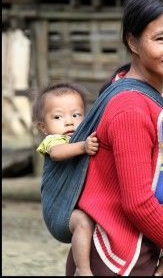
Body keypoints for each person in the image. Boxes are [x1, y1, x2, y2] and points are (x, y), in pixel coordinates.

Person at [65, 0, 163, 276]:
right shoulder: (131, 109)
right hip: (116, 255)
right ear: (133, 42)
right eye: (161, 38)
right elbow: (138, 203)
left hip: (136, 245)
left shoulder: (132, 88)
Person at [33, 83, 99, 276]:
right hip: (58, 212)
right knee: (83, 221)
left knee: (88, 222)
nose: (69, 122)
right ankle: (83, 270)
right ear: (43, 127)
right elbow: (57, 154)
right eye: (58, 117)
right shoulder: (53, 141)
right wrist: (84, 147)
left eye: (76, 115)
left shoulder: (83, 137)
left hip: (74, 208)